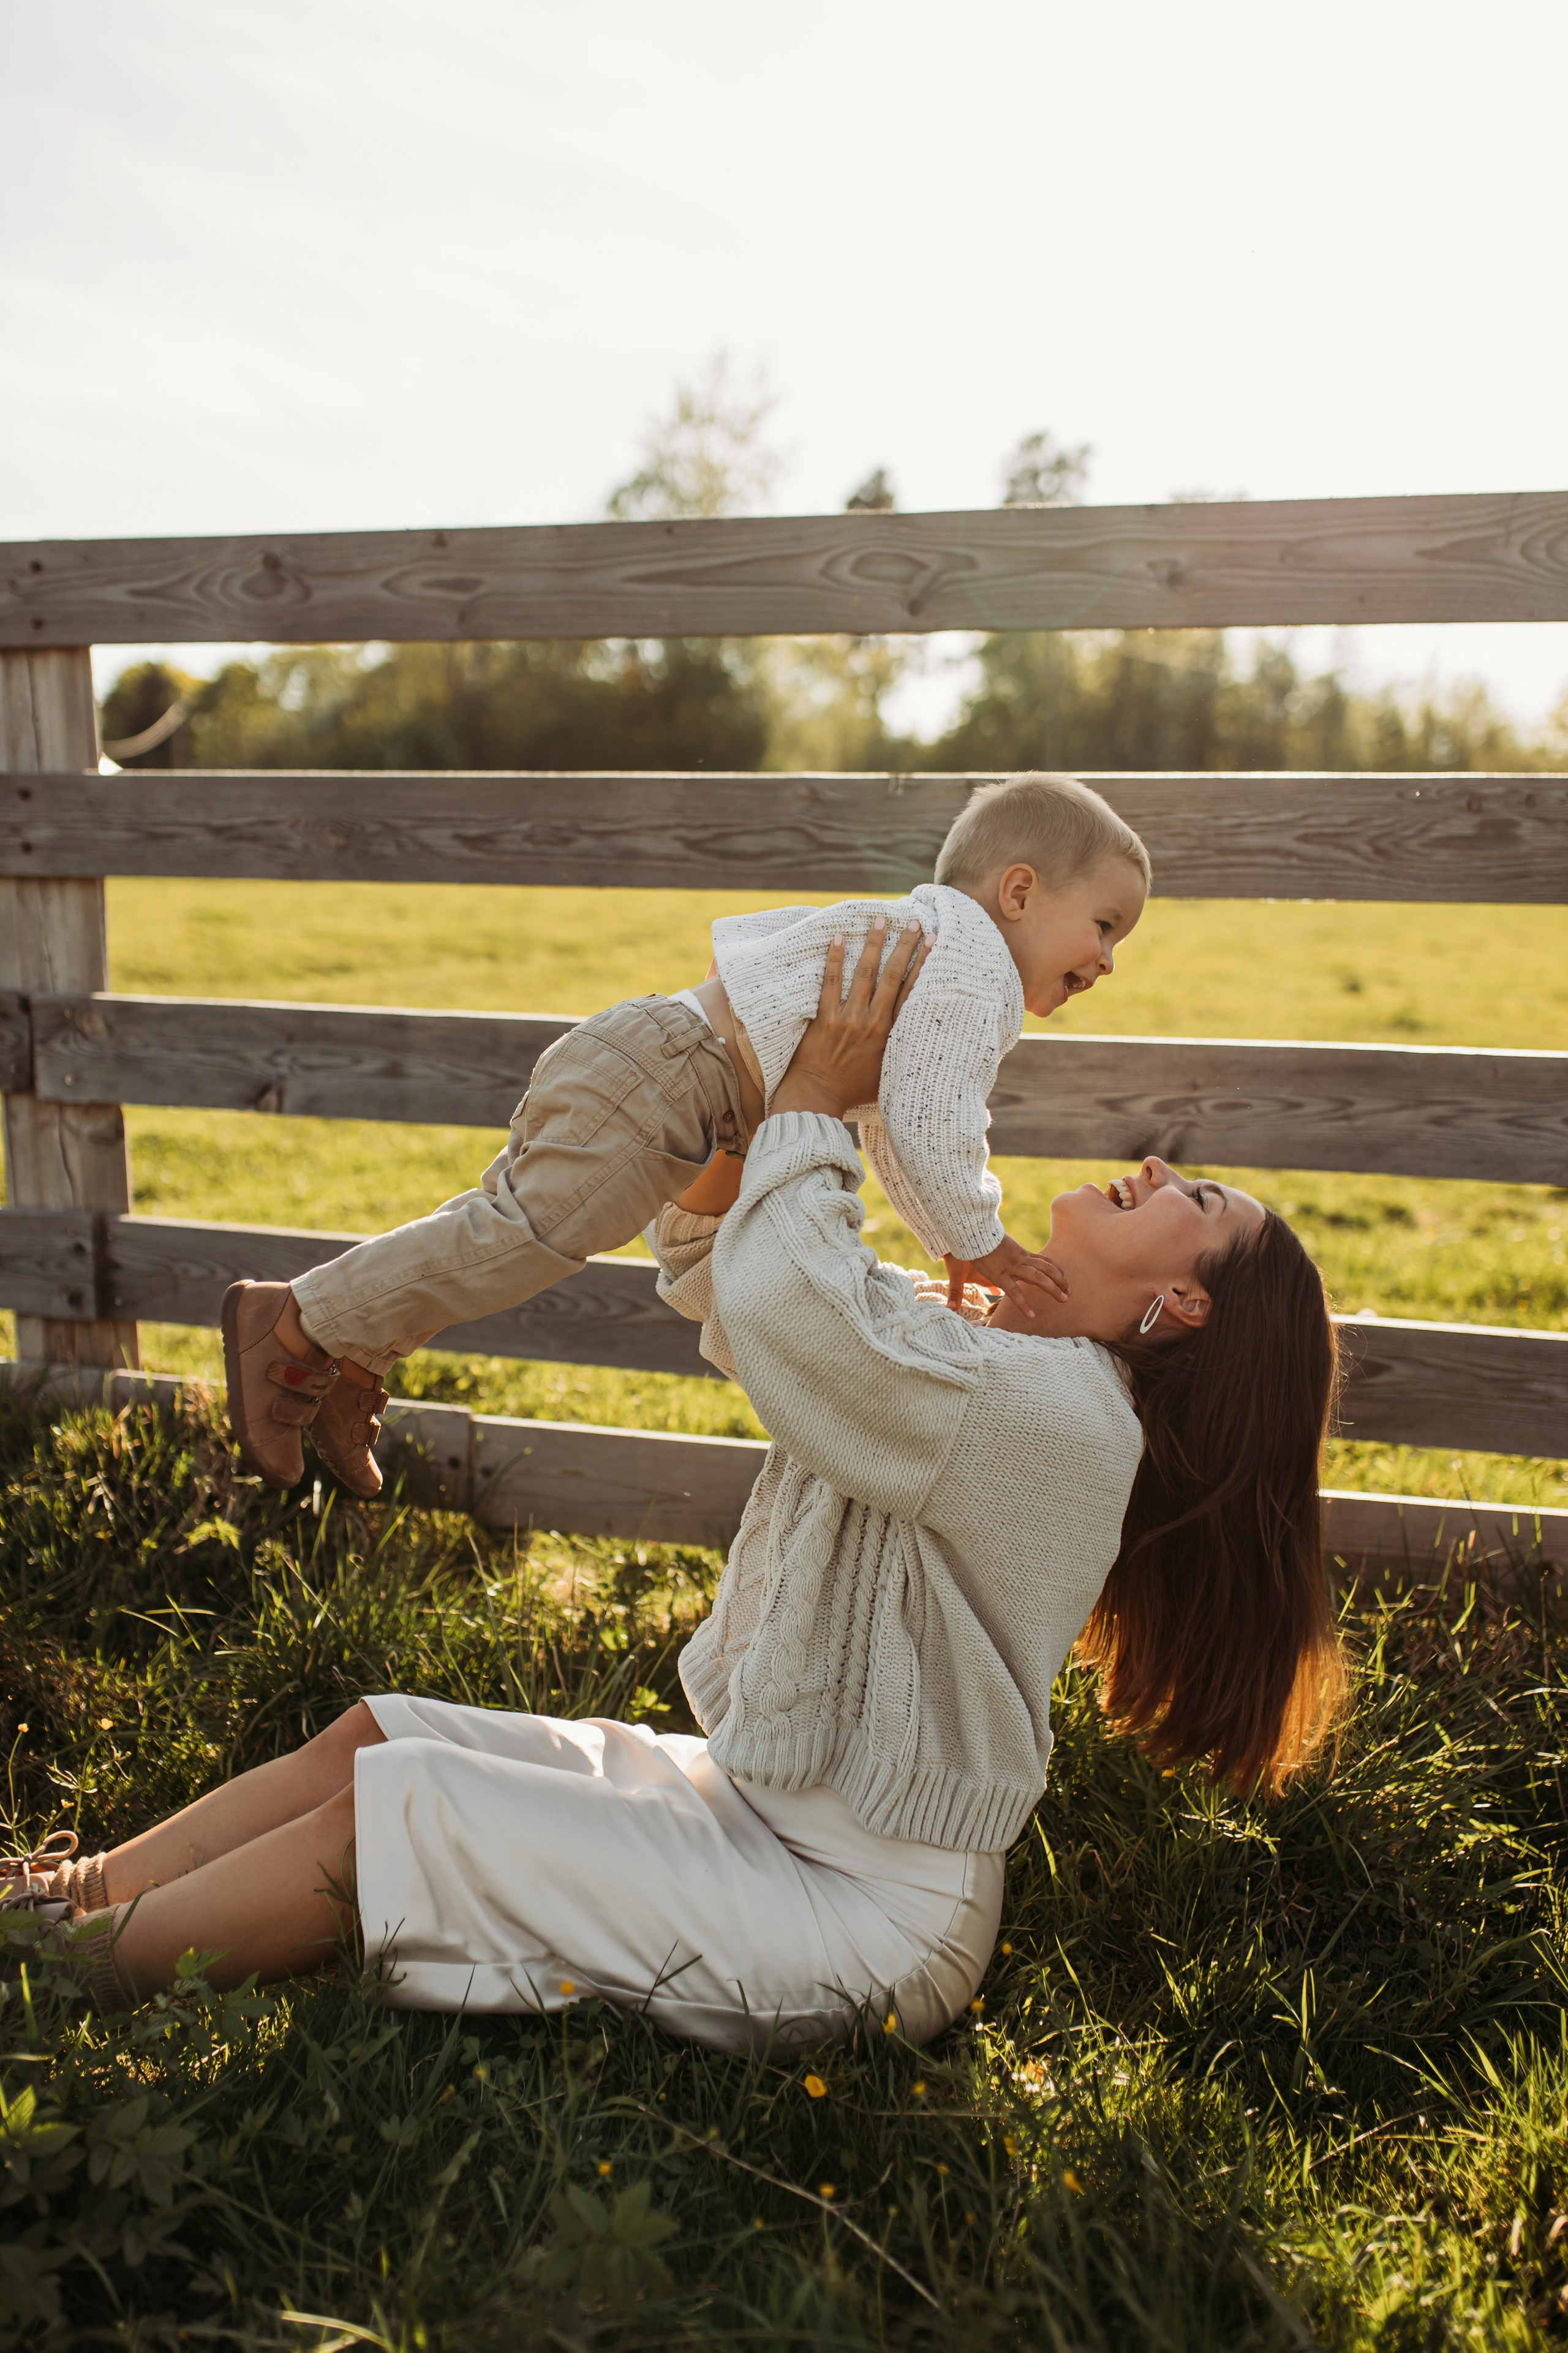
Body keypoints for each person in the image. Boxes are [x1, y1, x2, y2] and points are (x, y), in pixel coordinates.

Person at [6, 924, 1344, 2049]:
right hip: (753, 1804)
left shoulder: (1061, 1417)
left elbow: (796, 1310)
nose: (1158, 1168)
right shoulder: (984, 1348)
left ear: (1183, 1304)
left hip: (859, 1914)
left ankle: (62, 1971)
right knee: (375, 1737)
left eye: (1201, 1197)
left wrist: (816, 1100)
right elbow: (732, 1279)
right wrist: (742, 1091)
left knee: (395, 1820)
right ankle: (71, 1891)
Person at [221, 773, 1150, 1500]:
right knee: (521, 1240)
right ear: (1018, 892)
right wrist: (981, 1237)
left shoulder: (933, 943)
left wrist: (948, 1236)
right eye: (1104, 926)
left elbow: (897, 1131)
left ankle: (355, 1351)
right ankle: (293, 1320)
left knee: (500, 1229)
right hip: (674, 1081)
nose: (1108, 961)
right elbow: (938, 1120)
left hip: (656, 1059)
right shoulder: (976, 966)